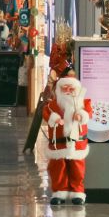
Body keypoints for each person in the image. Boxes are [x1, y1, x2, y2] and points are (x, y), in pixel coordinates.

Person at [44, 74, 91, 205]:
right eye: (65, 89)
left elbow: (88, 112)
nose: (69, 92)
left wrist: (81, 115)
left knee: (78, 168)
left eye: (72, 89)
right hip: (58, 142)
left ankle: (78, 191)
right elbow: (46, 113)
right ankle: (59, 191)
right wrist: (54, 118)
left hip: (77, 143)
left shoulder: (84, 103)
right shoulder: (52, 104)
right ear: (59, 90)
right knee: (58, 167)